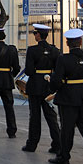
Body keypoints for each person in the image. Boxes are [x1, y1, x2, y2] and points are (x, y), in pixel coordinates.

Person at [48, 29, 83, 164]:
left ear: (67, 43)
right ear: (81, 41)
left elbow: (57, 80)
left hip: (68, 98)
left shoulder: (63, 59)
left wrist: (52, 87)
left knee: (67, 129)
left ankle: (63, 157)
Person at [22, 24, 61, 153]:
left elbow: (28, 71)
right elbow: (57, 70)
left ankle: (32, 144)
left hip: (35, 86)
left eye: (35, 33)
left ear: (38, 35)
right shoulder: (55, 50)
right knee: (51, 116)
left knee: (34, 117)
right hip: (49, 86)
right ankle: (57, 144)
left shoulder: (32, 50)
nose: (34, 35)